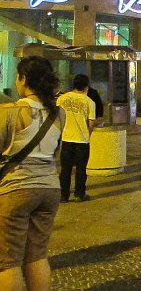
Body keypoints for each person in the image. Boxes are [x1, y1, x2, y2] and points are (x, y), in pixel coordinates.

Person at [0, 56, 65, 291]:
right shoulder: (59, 114)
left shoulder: (9, 112)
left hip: (16, 188)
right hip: (49, 188)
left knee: (8, 261)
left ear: (23, 79)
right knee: (37, 255)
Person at [56, 74, 96, 202]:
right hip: (82, 140)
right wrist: (87, 134)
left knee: (65, 169)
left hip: (66, 139)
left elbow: (57, 119)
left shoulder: (62, 99)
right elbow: (91, 122)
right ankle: (79, 194)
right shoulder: (89, 101)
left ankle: (63, 195)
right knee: (81, 168)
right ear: (86, 87)